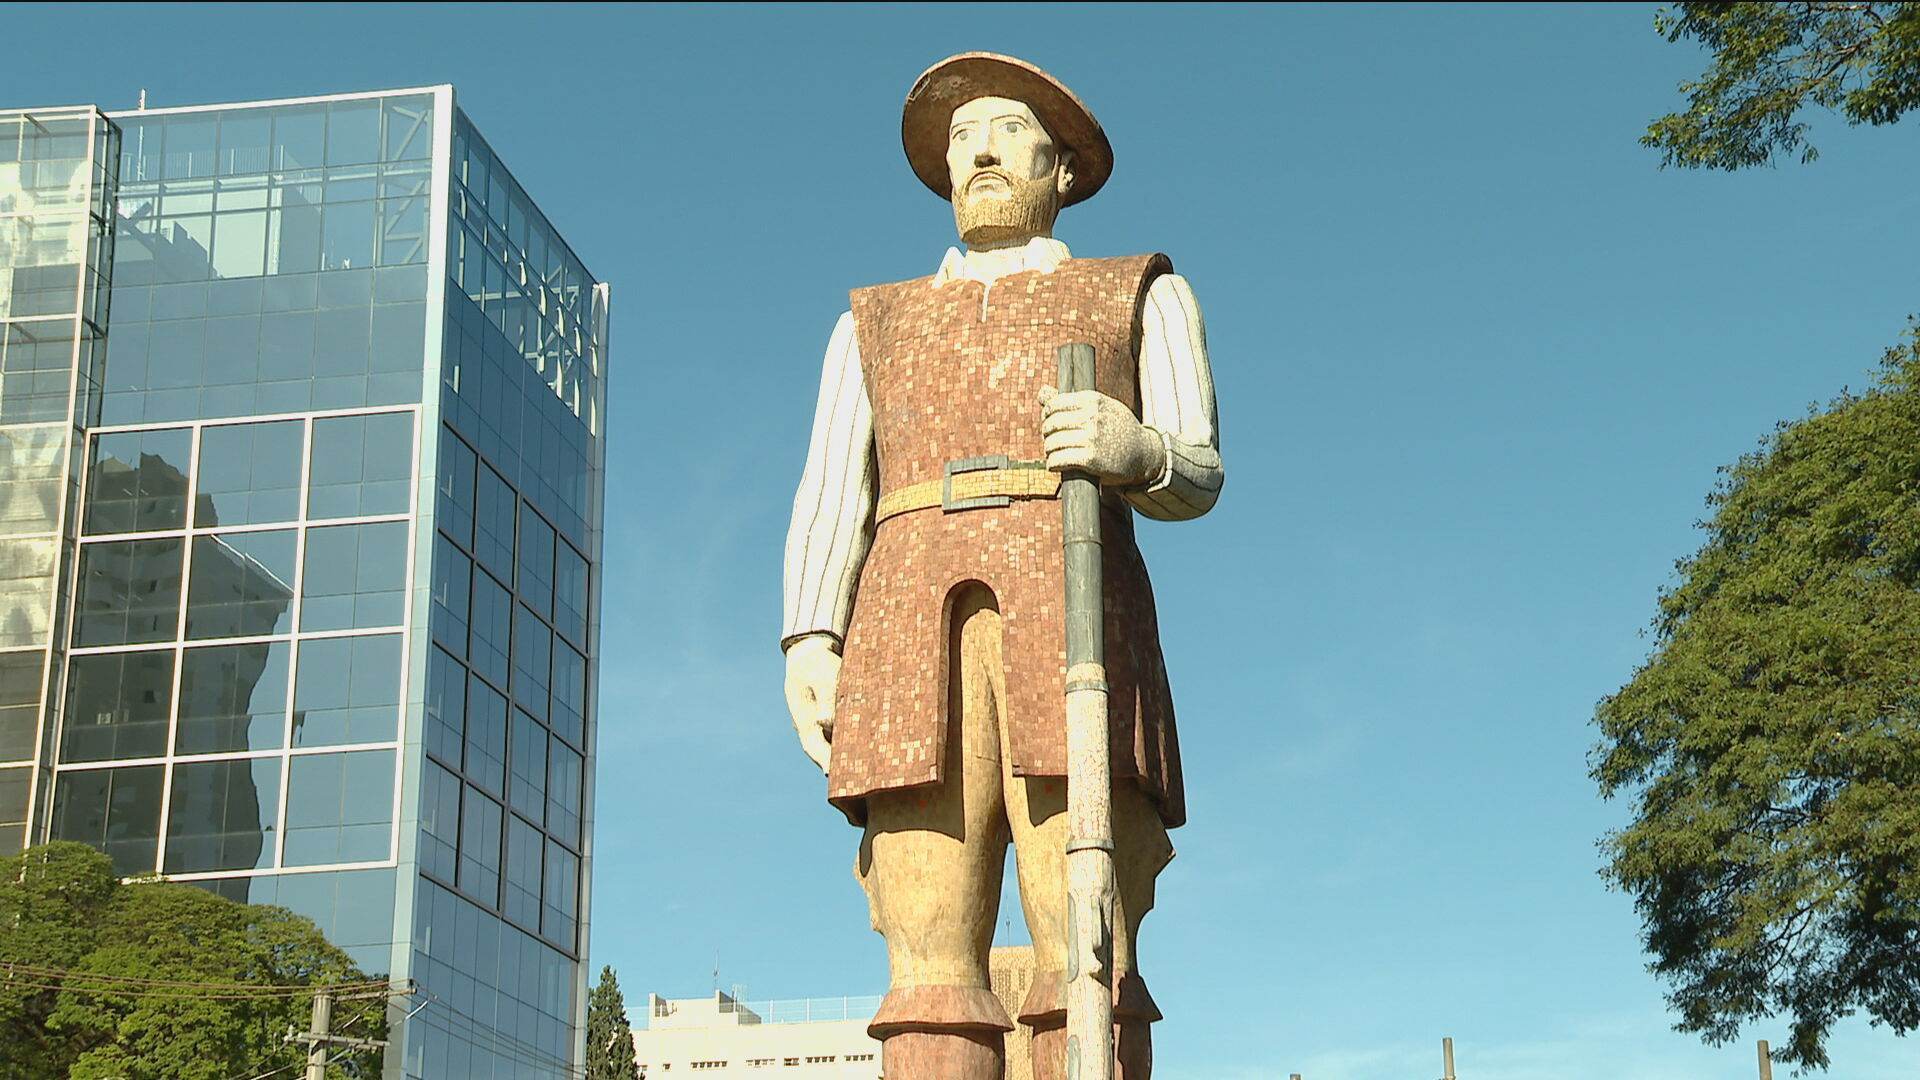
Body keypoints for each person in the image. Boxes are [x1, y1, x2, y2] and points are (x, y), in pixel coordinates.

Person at [781, 51, 1224, 1080]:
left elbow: (1198, 468)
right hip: (905, 622)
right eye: (959, 135)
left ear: (1063, 166)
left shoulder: (1136, 294)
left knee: (1087, 943)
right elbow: (830, 489)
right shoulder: (870, 323)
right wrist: (810, 633)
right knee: (926, 950)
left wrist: (1138, 451)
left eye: (1006, 126)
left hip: (1074, 620)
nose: (977, 145)